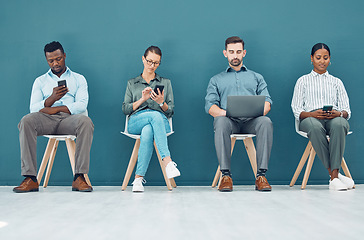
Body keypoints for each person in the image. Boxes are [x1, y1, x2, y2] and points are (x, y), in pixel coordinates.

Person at [14, 41, 94, 193]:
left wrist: (54, 108)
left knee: (86, 121)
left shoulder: (79, 79)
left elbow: (82, 105)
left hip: (70, 119)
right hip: (47, 121)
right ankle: (30, 178)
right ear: (47, 60)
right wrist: (51, 98)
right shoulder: (40, 81)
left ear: (64, 56)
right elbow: (33, 108)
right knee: (26, 121)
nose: (55, 63)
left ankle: (79, 177)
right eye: (51, 60)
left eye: (58, 59)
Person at [205, 36, 273, 192]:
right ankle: (226, 176)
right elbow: (210, 107)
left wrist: (254, 111)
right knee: (220, 121)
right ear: (225, 53)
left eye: (238, 52)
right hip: (229, 122)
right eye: (231, 52)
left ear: (244, 53)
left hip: (252, 121)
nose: (235, 55)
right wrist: (227, 113)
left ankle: (261, 176)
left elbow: (267, 104)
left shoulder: (257, 77)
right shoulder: (216, 80)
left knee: (266, 121)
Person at [291, 43, 354, 191]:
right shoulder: (302, 81)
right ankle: (334, 176)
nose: (322, 61)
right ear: (311, 59)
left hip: (333, 118)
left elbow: (347, 111)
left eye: (325, 58)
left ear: (329, 59)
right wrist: (312, 114)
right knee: (314, 126)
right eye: (318, 57)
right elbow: (296, 109)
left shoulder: (336, 82)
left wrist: (338, 113)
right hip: (309, 119)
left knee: (340, 124)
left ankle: (334, 177)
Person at [122, 46, 180, 192]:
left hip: (161, 122)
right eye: (149, 61)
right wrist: (142, 99)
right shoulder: (132, 83)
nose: (151, 65)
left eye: (156, 63)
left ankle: (137, 180)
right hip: (136, 121)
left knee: (148, 130)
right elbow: (125, 109)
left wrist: (161, 102)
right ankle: (168, 162)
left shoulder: (166, 82)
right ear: (143, 59)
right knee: (152, 117)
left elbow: (171, 111)